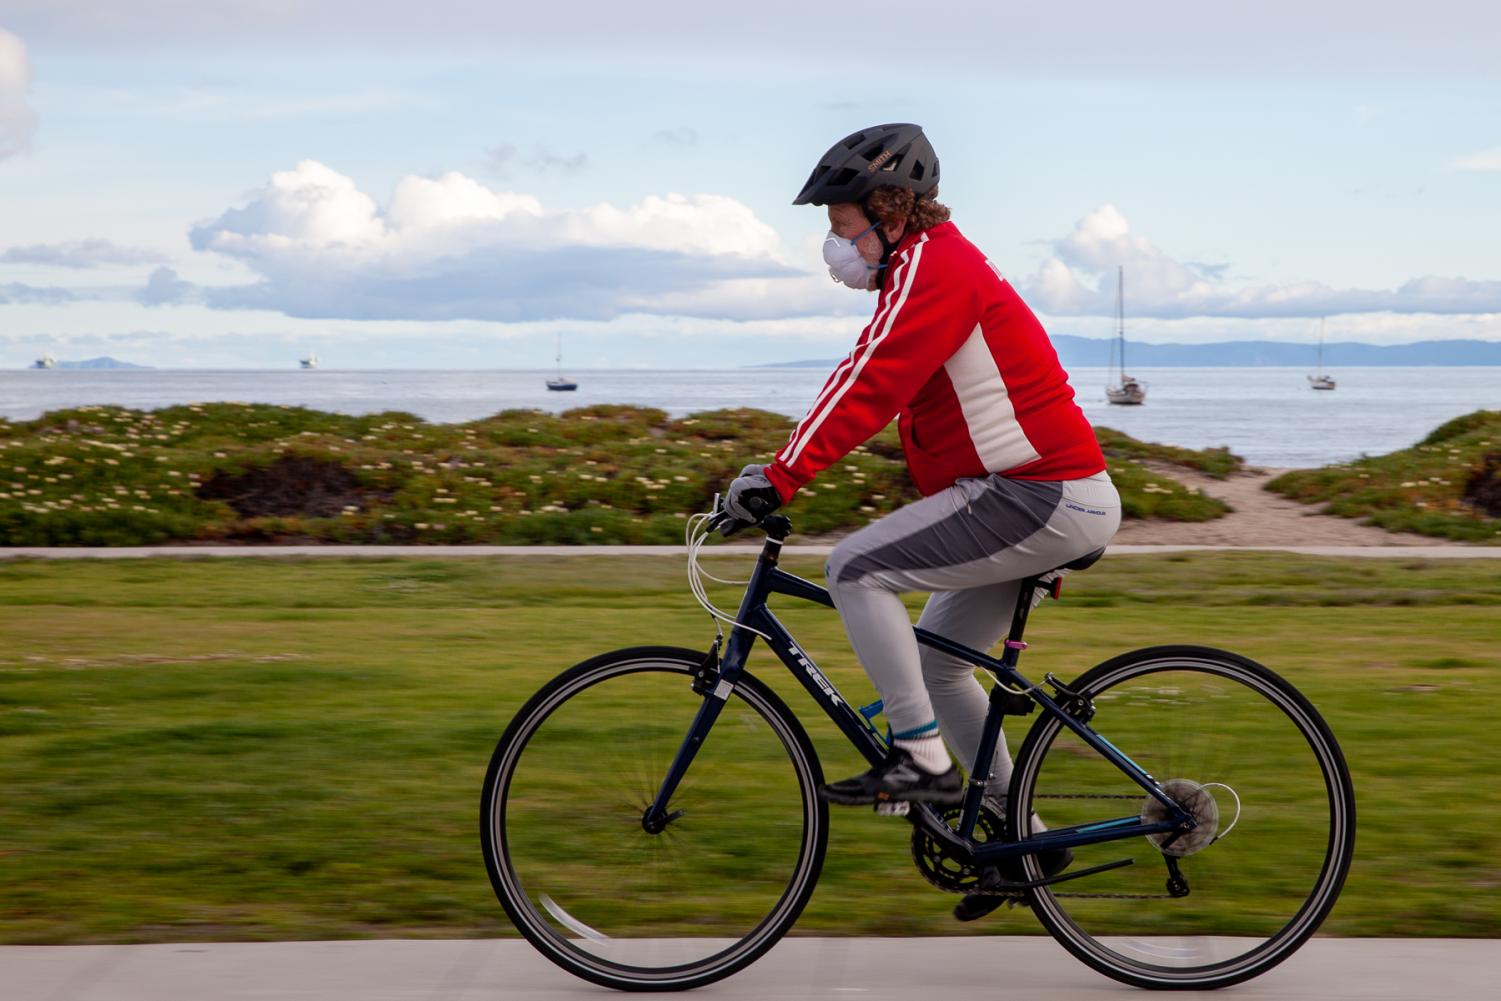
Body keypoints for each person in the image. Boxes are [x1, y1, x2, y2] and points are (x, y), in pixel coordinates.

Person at [722, 123, 1122, 917]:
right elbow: (873, 377)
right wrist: (786, 468)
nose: (834, 248)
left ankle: (921, 761)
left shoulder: (931, 268)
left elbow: (869, 381)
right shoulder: (924, 264)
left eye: (839, 227)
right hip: (1038, 493)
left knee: (854, 569)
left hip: (1035, 493)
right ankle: (1020, 840)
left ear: (889, 209)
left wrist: (781, 475)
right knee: (940, 668)